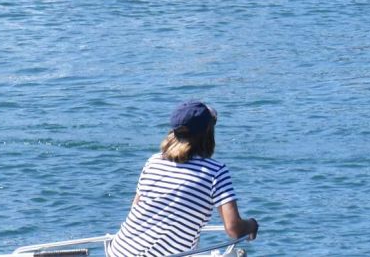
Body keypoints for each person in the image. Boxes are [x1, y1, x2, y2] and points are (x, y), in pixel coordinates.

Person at [104, 101, 257, 257]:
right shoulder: (216, 172)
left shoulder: (153, 161)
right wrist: (251, 225)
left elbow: (136, 207)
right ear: (207, 131)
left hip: (118, 251)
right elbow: (234, 229)